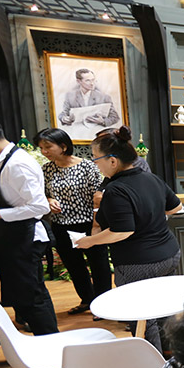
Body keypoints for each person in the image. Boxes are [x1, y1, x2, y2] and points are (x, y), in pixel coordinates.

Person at [77, 126, 183, 352]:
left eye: (95, 158)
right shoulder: (151, 178)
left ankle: (152, 362)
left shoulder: (116, 189)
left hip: (138, 262)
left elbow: (122, 231)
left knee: (142, 314)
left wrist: (89, 241)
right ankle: (170, 354)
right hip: (169, 254)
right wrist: (151, 213)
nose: (95, 164)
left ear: (112, 161)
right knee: (164, 307)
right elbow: (176, 207)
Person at [0, 115, 58, 338]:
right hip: (16, 238)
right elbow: (18, 199)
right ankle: (48, 345)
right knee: (29, 297)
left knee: (33, 299)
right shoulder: (5, 160)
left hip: (25, 240)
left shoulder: (17, 164)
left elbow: (39, 207)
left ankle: (50, 348)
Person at [35, 128, 111, 315]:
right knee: (75, 267)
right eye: (41, 148)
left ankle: (104, 305)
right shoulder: (46, 169)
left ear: (63, 146)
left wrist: (96, 225)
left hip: (89, 224)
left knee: (99, 265)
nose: (44, 151)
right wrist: (48, 200)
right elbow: (41, 194)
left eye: (47, 147)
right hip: (61, 225)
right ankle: (87, 300)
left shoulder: (87, 166)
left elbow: (99, 197)